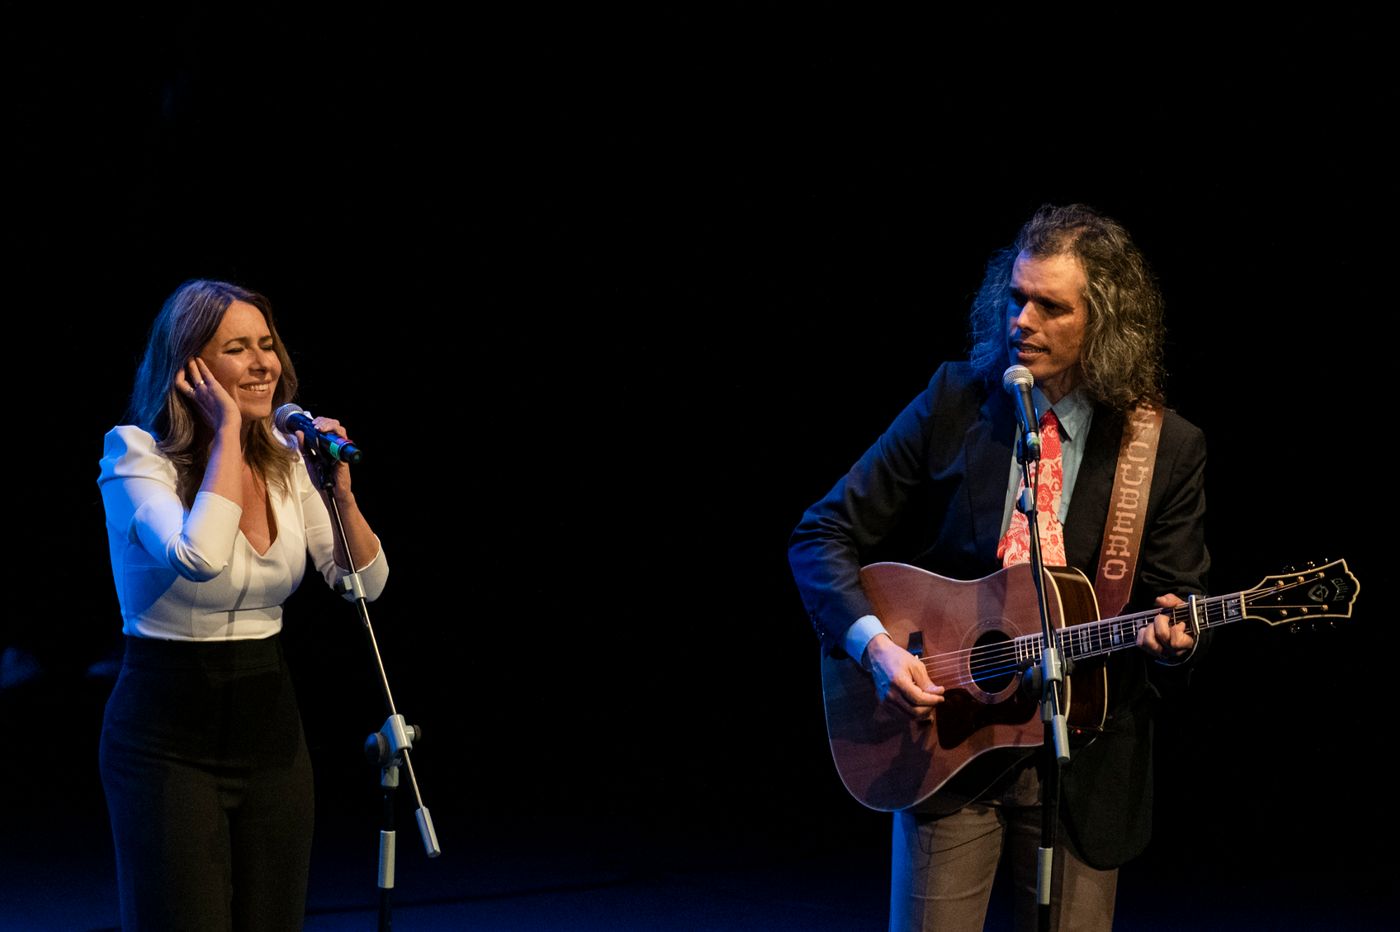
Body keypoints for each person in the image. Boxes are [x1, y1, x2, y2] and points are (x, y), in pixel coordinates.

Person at [788, 203, 1209, 931]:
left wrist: (1180, 639)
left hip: (1083, 768)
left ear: (1104, 323)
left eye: (1051, 306)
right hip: (946, 751)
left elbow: (1179, 604)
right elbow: (822, 533)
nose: (1022, 321)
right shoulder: (956, 400)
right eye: (1016, 298)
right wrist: (875, 646)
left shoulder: (1162, 447)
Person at [96, 278, 389, 930]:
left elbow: (363, 585)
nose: (265, 364)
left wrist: (340, 492)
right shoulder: (135, 456)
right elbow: (199, 559)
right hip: (165, 735)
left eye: (268, 345)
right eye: (238, 348)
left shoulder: (289, 459)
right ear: (191, 366)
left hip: (270, 732)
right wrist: (227, 431)